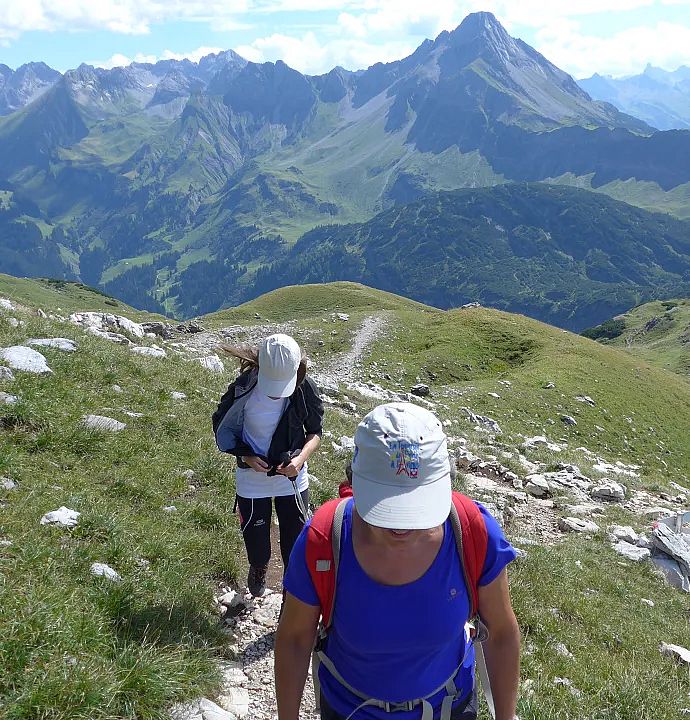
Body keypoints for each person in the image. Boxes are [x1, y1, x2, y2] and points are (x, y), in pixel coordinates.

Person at [275, 402, 520, 720]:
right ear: (356, 481)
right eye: (387, 504)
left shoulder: (473, 531)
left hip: (449, 708)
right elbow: (294, 638)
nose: (401, 526)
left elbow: (501, 632)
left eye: (415, 507)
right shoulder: (324, 539)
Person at [213, 333, 324, 598]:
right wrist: (246, 457)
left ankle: (292, 588)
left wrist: (299, 459)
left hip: (292, 476)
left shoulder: (305, 388)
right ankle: (259, 567)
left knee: (294, 540)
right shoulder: (243, 388)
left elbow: (315, 432)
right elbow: (224, 427)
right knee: (255, 536)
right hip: (252, 476)